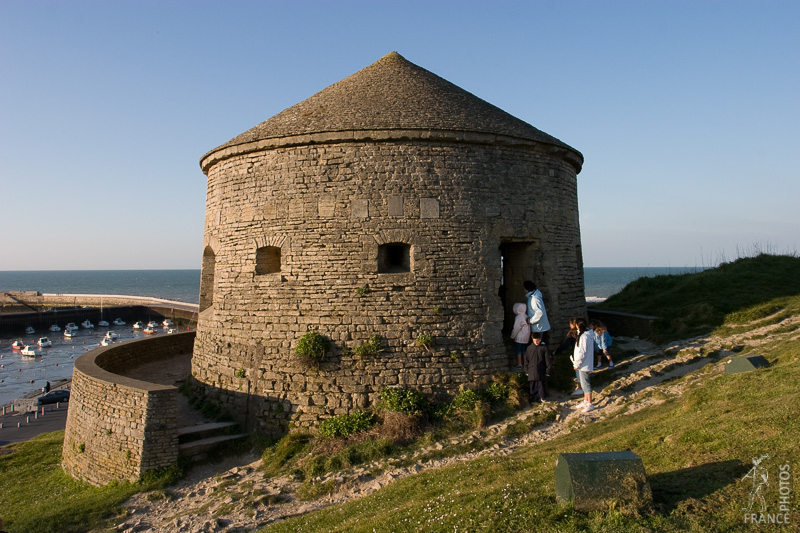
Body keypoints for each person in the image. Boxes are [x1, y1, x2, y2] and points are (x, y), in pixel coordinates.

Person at [570, 317, 595, 413]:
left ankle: (589, 403)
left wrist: (577, 363)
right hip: (582, 363)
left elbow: (582, 352)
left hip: (583, 364)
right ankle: (585, 401)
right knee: (584, 383)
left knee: (586, 384)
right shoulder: (585, 335)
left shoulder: (584, 337)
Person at [524, 332, 553, 403]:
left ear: (540, 339)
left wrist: (548, 370)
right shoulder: (529, 348)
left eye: (538, 341)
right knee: (533, 386)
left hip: (541, 369)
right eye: (535, 341)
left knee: (541, 385)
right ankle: (534, 399)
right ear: (532, 340)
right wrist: (526, 370)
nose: (536, 342)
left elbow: (548, 360)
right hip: (531, 370)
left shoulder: (544, 348)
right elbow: (526, 360)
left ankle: (542, 397)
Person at [510, 303, 531, 369]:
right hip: (526, 337)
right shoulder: (526, 315)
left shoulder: (519, 317)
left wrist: (512, 336)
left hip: (520, 337)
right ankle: (525, 363)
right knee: (524, 350)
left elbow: (516, 328)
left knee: (518, 350)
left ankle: (519, 364)